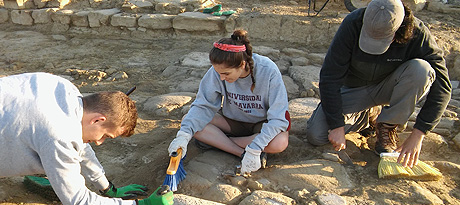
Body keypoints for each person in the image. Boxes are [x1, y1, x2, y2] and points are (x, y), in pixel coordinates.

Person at [0, 72, 173, 205]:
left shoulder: (65, 90)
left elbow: (80, 145)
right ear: (98, 119)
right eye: (105, 135)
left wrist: (106, 188)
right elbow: (79, 203)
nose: (99, 142)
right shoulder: (58, 135)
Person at [306, 0, 452, 168]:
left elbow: (443, 87)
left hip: (389, 88)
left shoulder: (418, 34)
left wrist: (419, 133)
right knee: (316, 135)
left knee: (421, 70)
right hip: (355, 90)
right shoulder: (352, 23)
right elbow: (330, 77)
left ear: (398, 31)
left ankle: (389, 125)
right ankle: (369, 115)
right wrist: (336, 125)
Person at [168, 30, 291, 174]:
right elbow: (202, 105)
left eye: (226, 74)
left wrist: (256, 147)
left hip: (261, 124)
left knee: (280, 143)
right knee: (188, 121)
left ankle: (218, 142)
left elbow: (279, 119)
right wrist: (183, 136)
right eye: (219, 73)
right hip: (233, 122)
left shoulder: (268, 70)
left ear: (242, 64)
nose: (221, 78)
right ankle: (240, 152)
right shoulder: (218, 71)